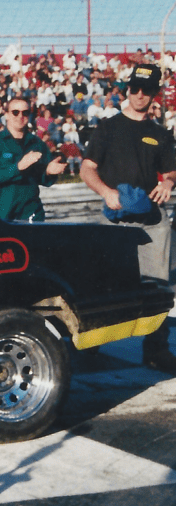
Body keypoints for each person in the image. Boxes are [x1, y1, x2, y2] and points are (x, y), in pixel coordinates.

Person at [81, 64, 176, 373]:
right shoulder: (108, 128)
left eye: (146, 90)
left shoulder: (160, 134)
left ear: (154, 95)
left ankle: (156, 349)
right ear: (126, 90)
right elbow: (87, 168)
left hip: (151, 219)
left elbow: (172, 169)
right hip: (115, 218)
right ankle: (91, 345)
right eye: (134, 88)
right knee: (102, 282)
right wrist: (106, 192)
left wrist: (168, 182)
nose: (139, 94)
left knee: (157, 286)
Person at [0, 97, 66, 222]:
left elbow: (43, 179)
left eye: (25, 112)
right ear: (7, 115)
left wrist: (48, 172)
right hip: (2, 214)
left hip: (31, 214)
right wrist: (18, 167)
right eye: (15, 112)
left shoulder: (37, 143)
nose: (20, 116)